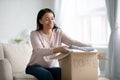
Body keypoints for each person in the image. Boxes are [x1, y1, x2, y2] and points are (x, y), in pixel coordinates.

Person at [25, 8, 91, 80]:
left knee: (63, 72)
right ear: (40, 21)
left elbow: (72, 42)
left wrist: (88, 46)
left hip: (51, 67)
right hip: (34, 67)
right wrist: (58, 49)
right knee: (46, 74)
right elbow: (39, 50)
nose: (51, 21)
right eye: (47, 19)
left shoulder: (58, 32)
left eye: (52, 18)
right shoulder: (34, 34)